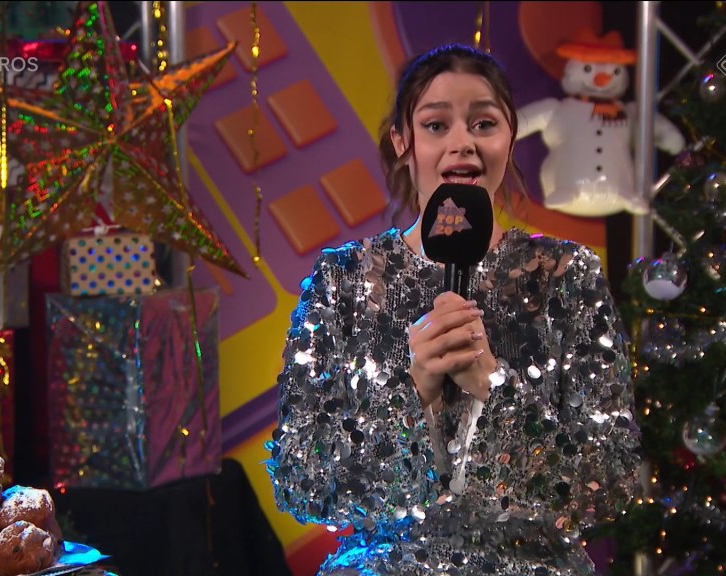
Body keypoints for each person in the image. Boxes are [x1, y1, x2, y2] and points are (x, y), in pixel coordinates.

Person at [266, 43, 642, 576]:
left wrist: (493, 386)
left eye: (484, 123)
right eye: (436, 125)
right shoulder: (344, 280)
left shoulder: (565, 274)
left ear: (510, 139)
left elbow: (612, 482)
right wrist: (412, 391)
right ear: (403, 142)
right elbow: (299, 480)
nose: (462, 142)